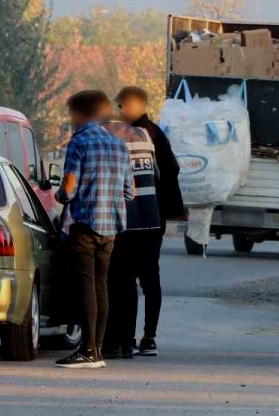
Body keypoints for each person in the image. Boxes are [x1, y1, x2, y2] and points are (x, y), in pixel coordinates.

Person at [54, 90, 134, 369]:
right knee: (101, 286)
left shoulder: (79, 142)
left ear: (79, 114)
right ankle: (97, 348)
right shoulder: (118, 144)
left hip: (84, 226)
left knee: (85, 287)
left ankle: (87, 350)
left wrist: (60, 197)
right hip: (110, 229)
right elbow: (129, 191)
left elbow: (69, 187)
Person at [114, 86, 183, 356]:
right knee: (149, 278)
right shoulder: (156, 133)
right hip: (154, 220)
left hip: (135, 218)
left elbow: (167, 170)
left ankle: (130, 338)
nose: (119, 112)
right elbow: (172, 168)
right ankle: (148, 337)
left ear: (133, 107)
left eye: (121, 107)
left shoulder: (142, 134)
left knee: (129, 278)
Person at [99, 95, 161, 360]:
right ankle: (126, 343)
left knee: (115, 280)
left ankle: (111, 343)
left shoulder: (107, 137)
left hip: (126, 218)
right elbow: (156, 175)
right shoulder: (145, 135)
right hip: (150, 219)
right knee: (130, 282)